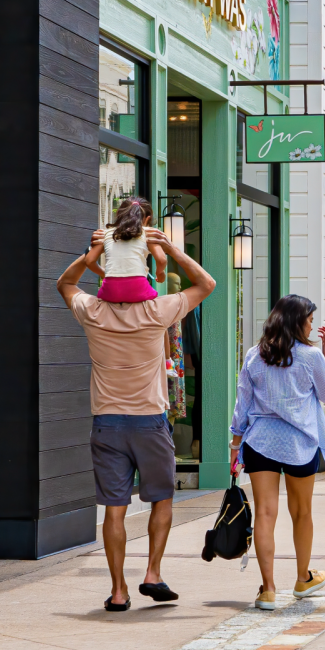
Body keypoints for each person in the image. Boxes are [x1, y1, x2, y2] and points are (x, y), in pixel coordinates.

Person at [58, 226, 216, 612]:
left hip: (107, 424)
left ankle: (117, 591)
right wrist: (171, 249)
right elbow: (206, 283)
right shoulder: (157, 311)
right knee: (162, 499)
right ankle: (152, 573)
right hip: (149, 422)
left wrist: (90, 255)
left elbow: (65, 283)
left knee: (115, 509)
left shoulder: (93, 312)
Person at [229, 294, 325, 611]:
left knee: (265, 513)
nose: (312, 324)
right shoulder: (311, 356)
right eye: (309, 319)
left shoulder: (254, 355)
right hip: (299, 444)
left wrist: (236, 446)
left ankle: (267, 590)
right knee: (301, 512)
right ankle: (303, 579)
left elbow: (243, 406)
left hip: (260, 441)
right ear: (296, 322)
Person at [84, 197, 169, 302]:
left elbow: (89, 261)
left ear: (118, 215)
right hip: (138, 288)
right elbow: (162, 260)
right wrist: (160, 273)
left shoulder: (107, 233)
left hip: (111, 291)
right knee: (156, 301)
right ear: (147, 219)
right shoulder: (148, 232)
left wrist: (104, 274)